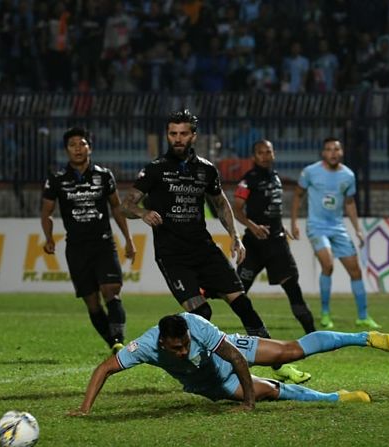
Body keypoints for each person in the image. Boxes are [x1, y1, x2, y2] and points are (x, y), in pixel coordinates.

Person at [121, 109, 310, 384]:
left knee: (244, 305)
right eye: (173, 133)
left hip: (205, 250)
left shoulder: (206, 169)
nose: (177, 138)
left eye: (183, 133)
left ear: (193, 136)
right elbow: (126, 204)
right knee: (201, 314)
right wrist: (142, 213)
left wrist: (234, 234)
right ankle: (213, 371)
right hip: (173, 256)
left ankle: (279, 365)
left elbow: (220, 203)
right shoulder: (155, 169)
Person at [68, 312, 389, 415]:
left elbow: (235, 357)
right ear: (162, 344)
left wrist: (248, 405)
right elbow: (104, 369)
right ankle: (335, 398)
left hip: (228, 351)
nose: (181, 351)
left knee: (288, 352)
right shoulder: (144, 347)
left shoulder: (196, 326)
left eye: (184, 345)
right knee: (271, 391)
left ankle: (363, 337)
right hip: (211, 384)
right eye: (176, 349)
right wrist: (85, 409)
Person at [41, 126, 135, 353]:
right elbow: (46, 213)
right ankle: (112, 342)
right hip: (76, 248)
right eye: (72, 145)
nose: (78, 149)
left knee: (111, 290)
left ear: (89, 147)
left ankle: (119, 339)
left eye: (82, 144)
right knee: (92, 302)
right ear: (66, 150)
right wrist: (49, 237)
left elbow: (116, 207)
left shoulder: (104, 176)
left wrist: (128, 239)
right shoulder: (56, 179)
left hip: (103, 243)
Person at [290, 137, 381, 330]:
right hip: (316, 226)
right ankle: (325, 314)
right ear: (323, 153)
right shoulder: (310, 172)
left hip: (338, 227)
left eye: (336, 149)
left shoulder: (348, 175)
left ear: (342, 152)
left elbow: (349, 202)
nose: (333, 153)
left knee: (355, 271)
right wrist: (294, 222)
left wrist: (357, 229)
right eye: (329, 149)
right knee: (328, 265)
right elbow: (298, 195)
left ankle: (363, 316)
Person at [232, 139, 316, 337]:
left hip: (277, 245)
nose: (265, 156)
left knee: (293, 289)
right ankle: (203, 298)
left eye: (268, 152)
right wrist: (252, 226)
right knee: (236, 290)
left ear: (274, 154)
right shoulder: (248, 179)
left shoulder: (276, 177)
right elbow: (236, 209)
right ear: (254, 156)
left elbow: (272, 211)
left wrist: (281, 226)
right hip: (254, 245)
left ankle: (313, 335)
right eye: (260, 152)